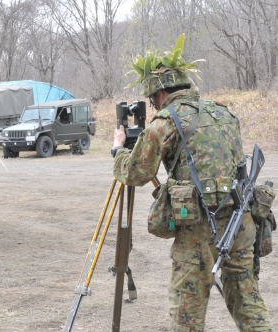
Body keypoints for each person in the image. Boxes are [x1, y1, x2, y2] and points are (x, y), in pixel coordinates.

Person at [111, 38, 274, 331]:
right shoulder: (223, 113)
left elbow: (135, 173)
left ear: (160, 94)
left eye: (152, 100)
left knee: (187, 312)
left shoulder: (166, 121)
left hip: (200, 228)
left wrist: (119, 150)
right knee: (247, 302)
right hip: (241, 221)